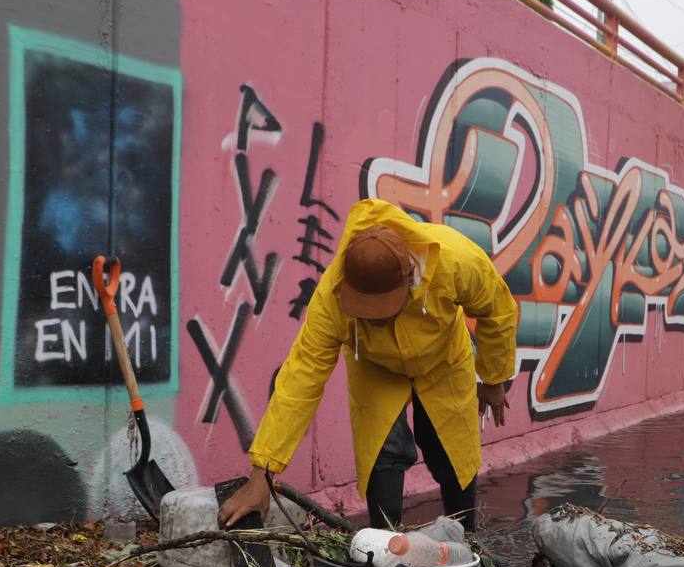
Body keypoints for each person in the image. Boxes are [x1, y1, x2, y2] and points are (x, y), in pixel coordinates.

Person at [218, 197, 518, 534]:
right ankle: (383, 546)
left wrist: (493, 378)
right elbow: (301, 379)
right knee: (383, 454)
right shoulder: (331, 298)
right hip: (374, 367)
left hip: (443, 359)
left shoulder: (454, 260)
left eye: (383, 308)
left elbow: (498, 310)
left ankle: (468, 543)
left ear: (409, 278)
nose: (375, 319)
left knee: (450, 452)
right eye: (365, 309)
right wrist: (263, 474)